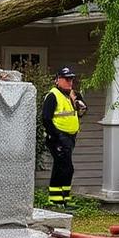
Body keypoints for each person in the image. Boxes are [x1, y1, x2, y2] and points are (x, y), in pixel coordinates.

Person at [41, 66, 87, 209]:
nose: (70, 82)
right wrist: (56, 137)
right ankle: (60, 199)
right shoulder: (53, 95)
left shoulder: (72, 95)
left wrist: (79, 105)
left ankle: (59, 199)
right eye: (66, 79)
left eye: (71, 79)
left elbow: (81, 112)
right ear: (57, 80)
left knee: (62, 166)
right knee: (66, 167)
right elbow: (46, 118)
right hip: (58, 137)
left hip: (70, 137)